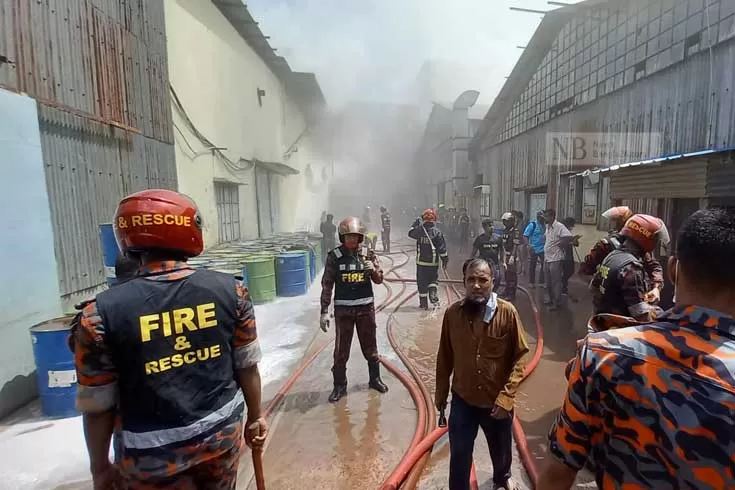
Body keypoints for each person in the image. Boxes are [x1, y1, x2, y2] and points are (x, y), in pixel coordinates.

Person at [73, 189, 267, 490]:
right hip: (220, 440)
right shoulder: (232, 292)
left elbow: (98, 405)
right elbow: (247, 367)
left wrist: (99, 467)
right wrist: (256, 417)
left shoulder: (98, 315)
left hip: (148, 459)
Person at [540, 206, 735, 490]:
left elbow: (557, 471)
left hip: (610, 336)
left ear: (674, 270)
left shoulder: (597, 352)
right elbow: (639, 309)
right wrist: (655, 306)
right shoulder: (630, 265)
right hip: (628, 330)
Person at [435, 258, 529, 490]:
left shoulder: (507, 313)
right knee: (459, 454)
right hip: (463, 399)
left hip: (496, 401)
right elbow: (444, 358)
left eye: (482, 280)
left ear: (492, 283)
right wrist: (440, 397)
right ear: (464, 282)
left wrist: (507, 397)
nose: (476, 285)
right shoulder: (452, 315)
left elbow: (521, 357)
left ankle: (502, 477)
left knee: (501, 449)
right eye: (471, 280)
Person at [320, 217, 388, 403]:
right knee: (341, 350)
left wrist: (373, 269)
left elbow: (380, 279)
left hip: (365, 308)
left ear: (360, 237)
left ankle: (375, 379)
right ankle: (339, 385)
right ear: (342, 237)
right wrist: (324, 310)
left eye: (356, 237)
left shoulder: (368, 254)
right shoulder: (334, 256)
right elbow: (327, 284)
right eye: (348, 237)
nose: (352, 240)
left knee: (371, 346)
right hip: (344, 311)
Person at [590, 214, 670, 321]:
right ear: (646, 238)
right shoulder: (631, 267)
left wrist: (656, 288)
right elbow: (641, 315)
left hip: (602, 322)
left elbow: (593, 287)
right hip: (621, 330)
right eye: (655, 240)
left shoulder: (613, 255)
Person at [579, 206, 664, 302]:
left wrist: (656, 288)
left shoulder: (639, 246)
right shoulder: (606, 245)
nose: (615, 227)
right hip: (610, 302)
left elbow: (654, 267)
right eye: (614, 222)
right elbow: (585, 270)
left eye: (618, 223)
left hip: (637, 297)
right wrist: (602, 285)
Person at [409, 209, 449, 309]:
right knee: (433, 281)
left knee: (422, 283)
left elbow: (410, 233)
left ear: (424, 219)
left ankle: (423, 305)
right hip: (433, 264)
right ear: (434, 219)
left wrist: (415, 224)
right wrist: (445, 261)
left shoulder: (419, 231)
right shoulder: (438, 232)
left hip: (421, 264)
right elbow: (442, 250)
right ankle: (433, 297)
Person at [543, 209, 574, 310]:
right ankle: (550, 299)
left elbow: (569, 237)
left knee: (556, 282)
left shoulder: (559, 226)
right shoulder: (547, 227)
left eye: (547, 216)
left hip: (555, 258)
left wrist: (561, 243)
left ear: (552, 216)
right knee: (547, 281)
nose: (545, 218)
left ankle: (557, 302)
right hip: (547, 258)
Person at [472, 218, 505, 288]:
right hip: (483, 265)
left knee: (497, 279)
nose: (492, 227)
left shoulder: (498, 238)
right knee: (483, 281)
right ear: (484, 227)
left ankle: (493, 295)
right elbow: (473, 252)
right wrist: (471, 263)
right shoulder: (480, 239)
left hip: (495, 264)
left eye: (492, 225)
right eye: (489, 226)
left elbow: (502, 250)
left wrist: (503, 262)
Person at [501, 212, 521, 302]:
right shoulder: (505, 230)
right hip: (505, 254)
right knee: (506, 274)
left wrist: (513, 256)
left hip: (511, 255)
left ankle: (511, 294)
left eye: (506, 221)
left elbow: (516, 245)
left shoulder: (515, 231)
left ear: (511, 221)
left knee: (511, 275)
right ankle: (507, 290)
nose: (504, 223)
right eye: (504, 221)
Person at [523, 212, 546, 288]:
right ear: (538, 217)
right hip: (534, 248)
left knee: (544, 265)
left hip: (543, 248)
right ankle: (531, 282)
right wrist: (528, 245)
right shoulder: (532, 225)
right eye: (541, 218)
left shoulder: (545, 226)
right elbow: (525, 235)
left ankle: (541, 282)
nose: (542, 219)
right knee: (532, 265)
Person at [560, 217, 580, 299]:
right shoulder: (562, 231)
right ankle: (563, 288)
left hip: (569, 255)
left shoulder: (568, 232)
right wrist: (569, 241)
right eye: (572, 225)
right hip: (564, 256)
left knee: (570, 271)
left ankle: (563, 286)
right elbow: (560, 243)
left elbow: (576, 244)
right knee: (567, 271)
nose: (572, 227)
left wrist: (574, 240)